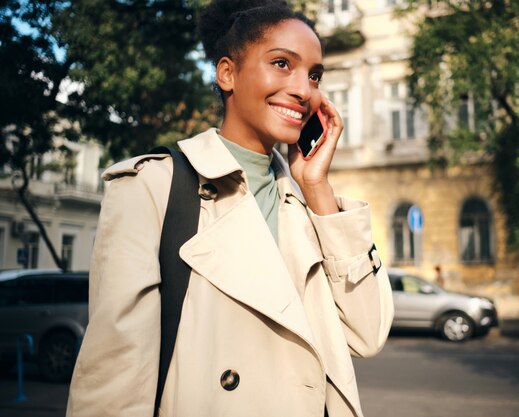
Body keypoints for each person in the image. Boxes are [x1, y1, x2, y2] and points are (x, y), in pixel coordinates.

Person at [66, 1, 394, 416]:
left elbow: (367, 335)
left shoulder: (306, 204)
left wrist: (317, 187)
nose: (304, 90)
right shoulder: (153, 187)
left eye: (314, 75)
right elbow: (114, 378)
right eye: (281, 64)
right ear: (227, 74)